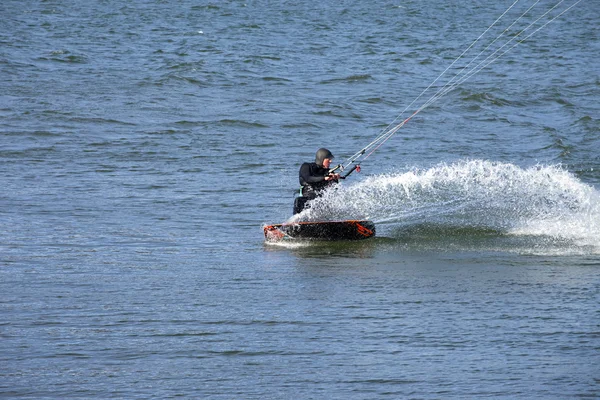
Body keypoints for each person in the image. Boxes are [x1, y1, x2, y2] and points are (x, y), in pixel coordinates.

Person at [293, 148, 340, 214]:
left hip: (321, 201)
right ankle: (296, 221)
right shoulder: (306, 166)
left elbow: (334, 187)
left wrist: (335, 178)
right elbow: (308, 178)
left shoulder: (328, 171)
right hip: (308, 200)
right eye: (328, 159)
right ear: (322, 158)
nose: (330, 161)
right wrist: (324, 178)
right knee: (298, 200)